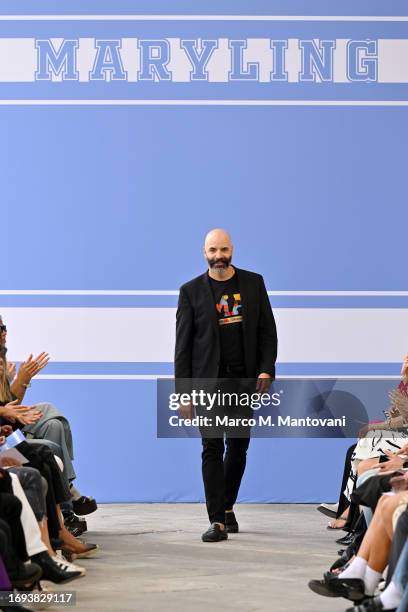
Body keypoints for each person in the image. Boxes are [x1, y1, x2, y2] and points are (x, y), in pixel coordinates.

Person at [175, 228, 278, 542]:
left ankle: (228, 506)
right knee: (211, 448)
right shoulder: (190, 291)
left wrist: (265, 370)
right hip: (207, 384)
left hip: (243, 381)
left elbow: (267, 332)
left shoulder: (253, 283)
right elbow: (182, 348)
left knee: (238, 447)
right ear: (204, 253)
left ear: (232, 250)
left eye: (223, 249)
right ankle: (217, 520)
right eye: (212, 251)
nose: (218, 256)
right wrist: (183, 394)